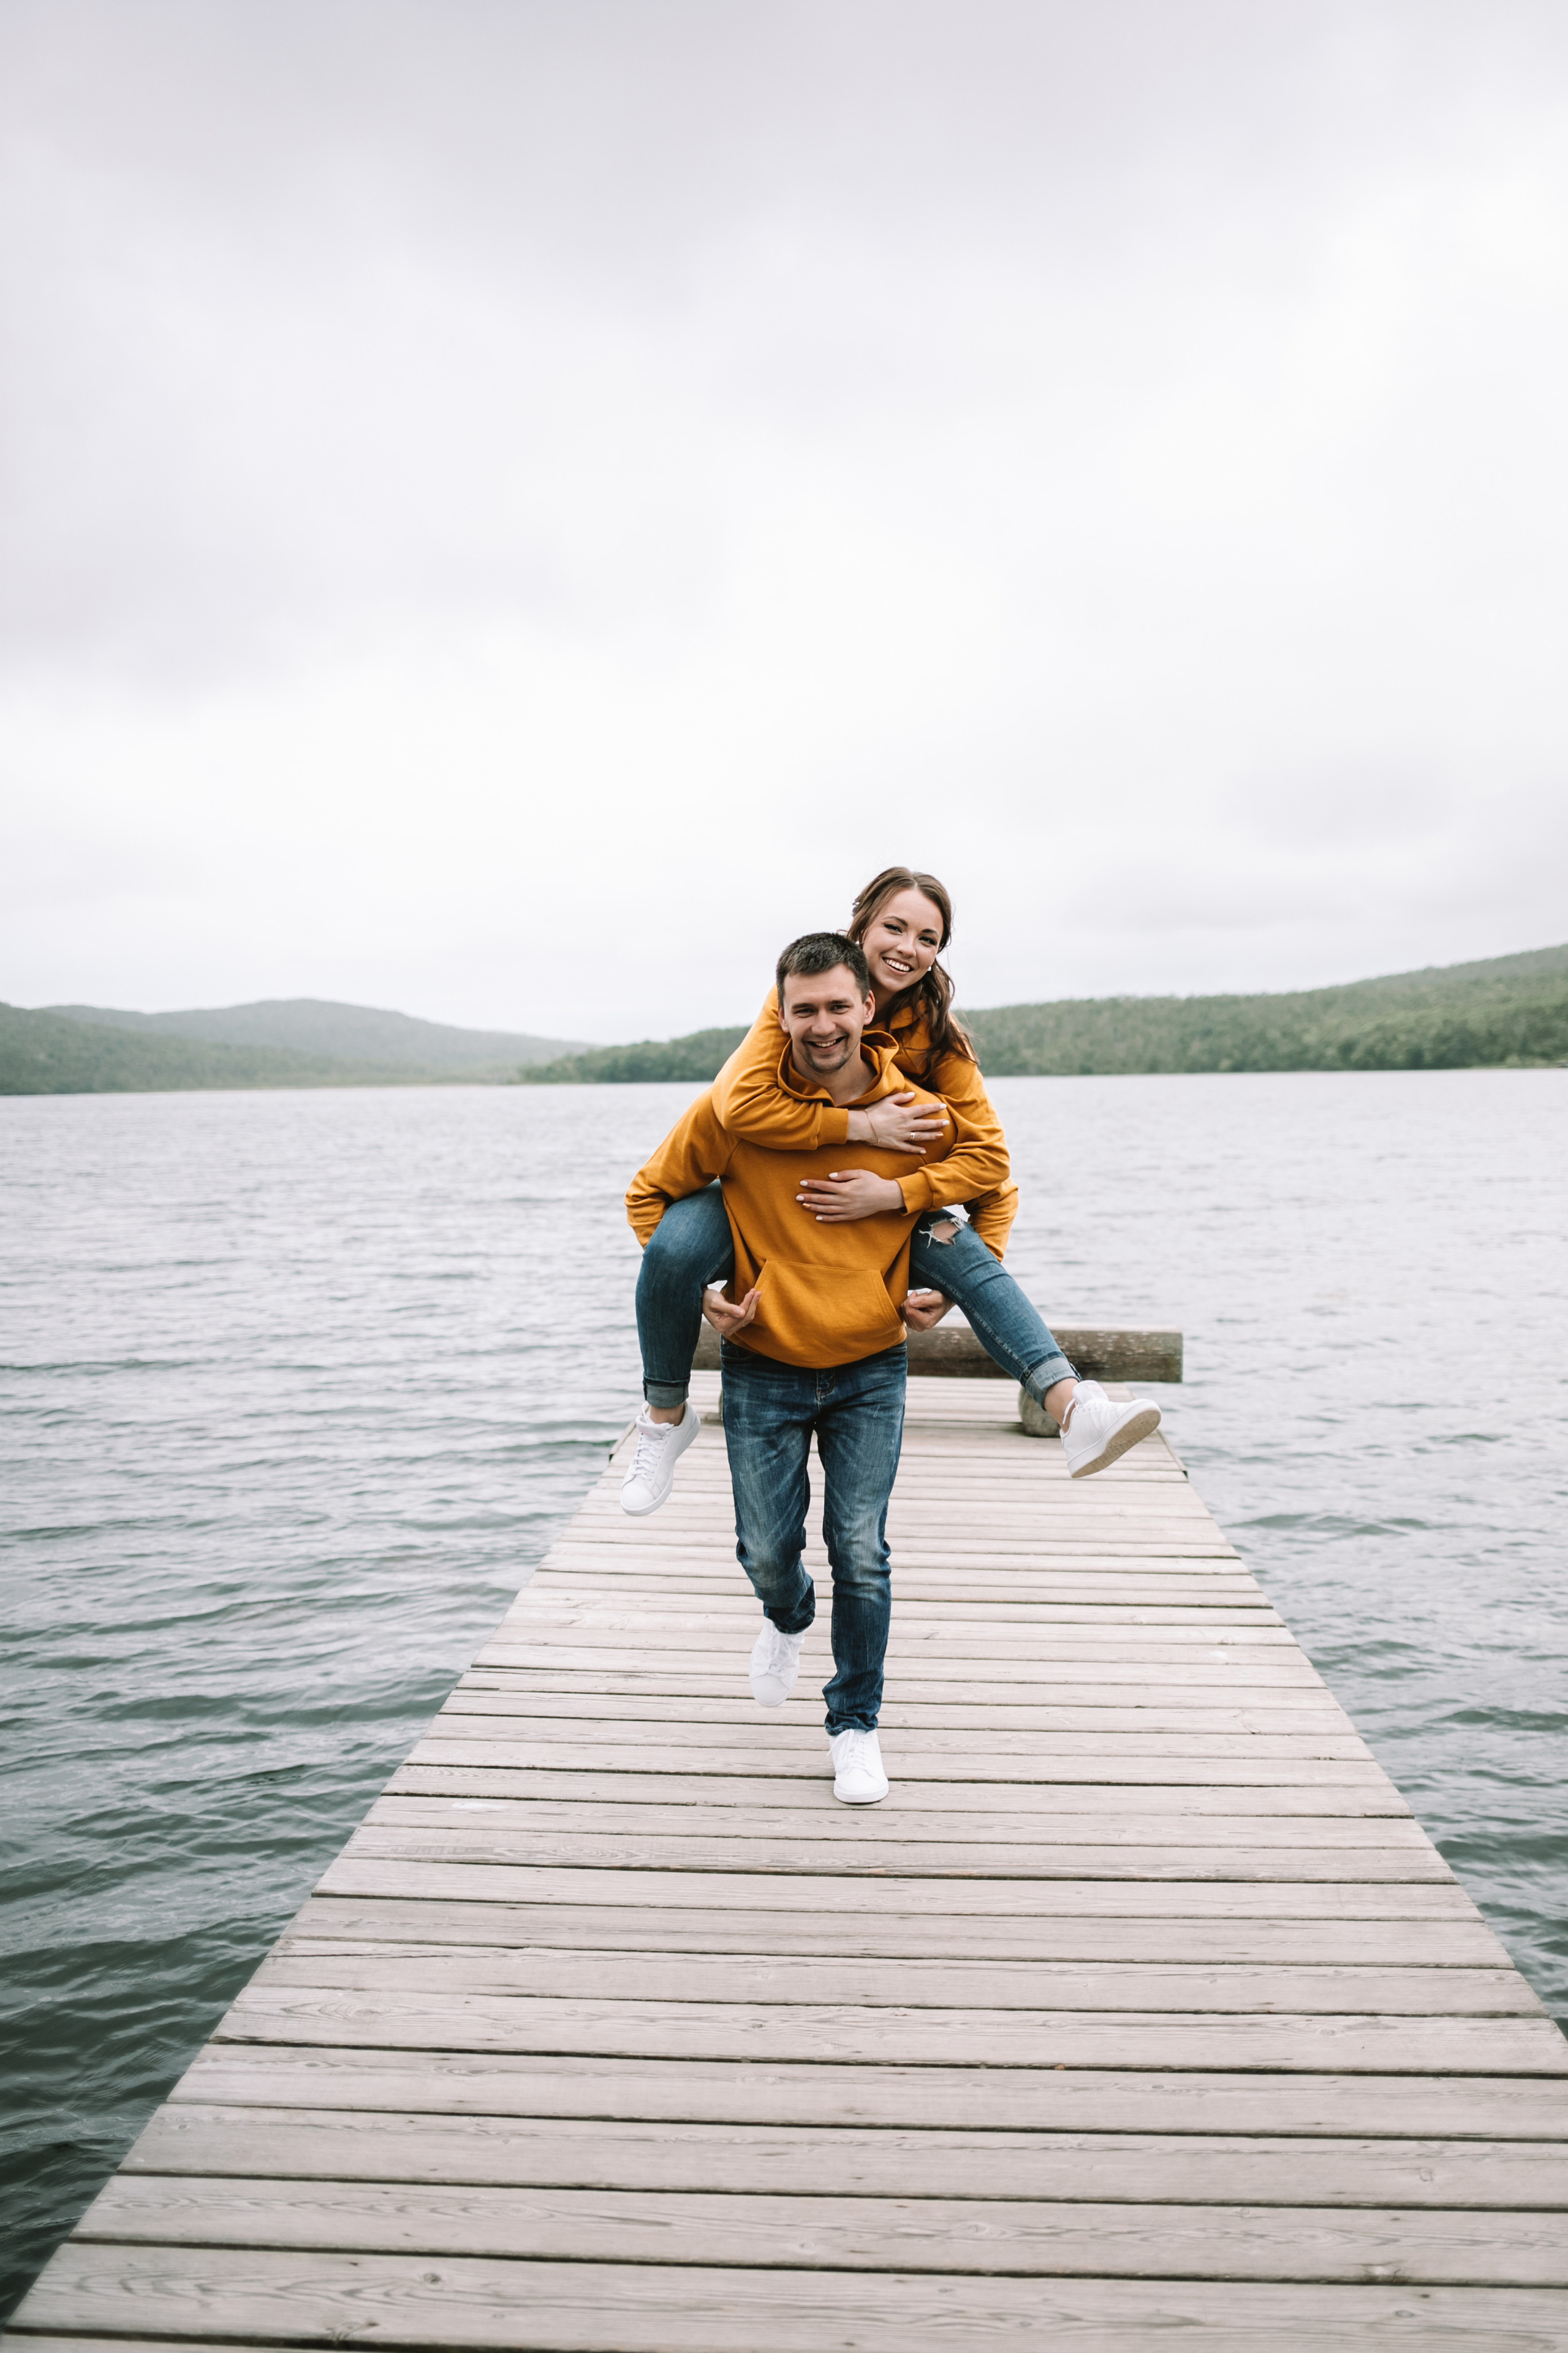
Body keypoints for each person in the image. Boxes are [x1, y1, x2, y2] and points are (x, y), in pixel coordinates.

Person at [621, 864, 1159, 1518]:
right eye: (895, 927)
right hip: (768, 1188)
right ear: (861, 928)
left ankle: (1073, 1405)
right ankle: (663, 1415)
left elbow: (991, 1165)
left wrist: (899, 1200)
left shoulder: (940, 1045)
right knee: (675, 1243)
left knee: (950, 1238)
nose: (908, 947)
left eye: (928, 937)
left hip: (890, 1207)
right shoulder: (803, 993)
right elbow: (736, 1107)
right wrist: (860, 1123)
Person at [626, 931, 962, 1804]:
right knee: (768, 1550)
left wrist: (950, 1276)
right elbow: (647, 1197)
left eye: (837, 1006)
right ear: (778, 1015)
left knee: (862, 1550)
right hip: (762, 1364)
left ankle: (854, 1723)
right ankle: (784, 1615)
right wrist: (701, 1295)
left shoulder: (910, 1107)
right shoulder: (739, 1111)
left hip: (869, 1365)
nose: (822, 1024)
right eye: (803, 1008)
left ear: (866, 1010)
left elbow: (987, 1179)